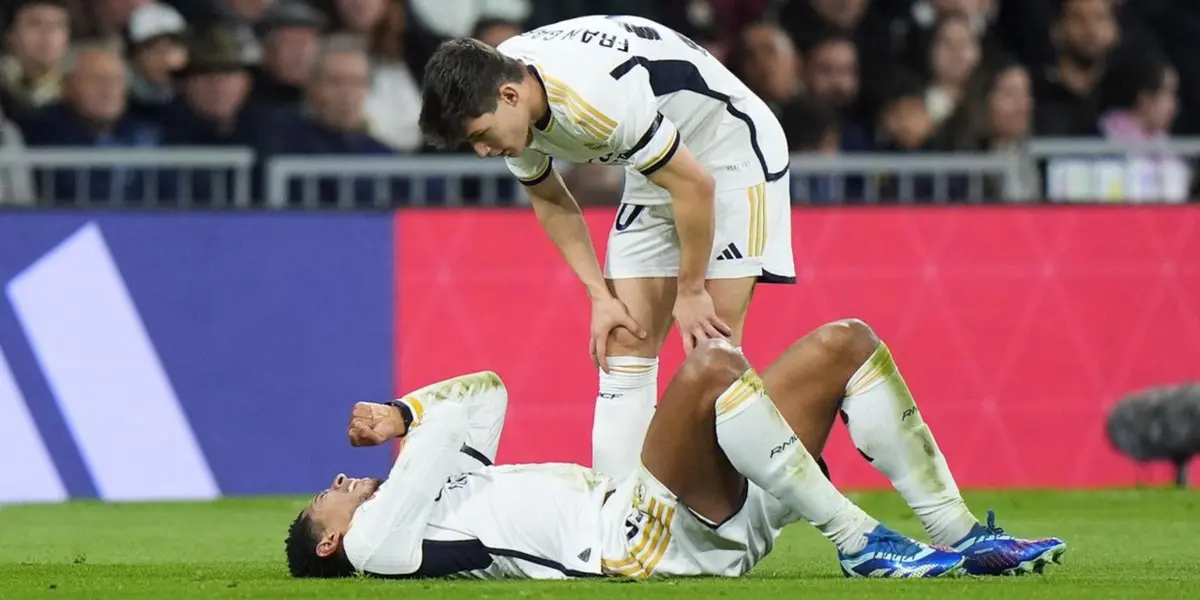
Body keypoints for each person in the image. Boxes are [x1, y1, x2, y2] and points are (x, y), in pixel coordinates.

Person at [284, 319, 1067, 580]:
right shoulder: (381, 550)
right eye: (333, 491)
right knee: (713, 367)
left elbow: (485, 391)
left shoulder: (429, 494)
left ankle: (962, 534)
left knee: (845, 343)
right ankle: (859, 541)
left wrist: (400, 409)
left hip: (672, 510)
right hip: (634, 544)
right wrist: (410, 426)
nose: (346, 478)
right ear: (330, 538)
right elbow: (447, 430)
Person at [418, 15, 797, 483]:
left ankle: (775, 497)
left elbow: (695, 185)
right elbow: (551, 197)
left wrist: (691, 288)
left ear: (510, 96)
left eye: (479, 135)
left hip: (728, 150)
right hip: (656, 164)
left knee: (712, 356)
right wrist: (599, 296)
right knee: (623, 344)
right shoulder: (501, 83)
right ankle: (617, 527)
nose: (481, 152)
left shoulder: (590, 100)